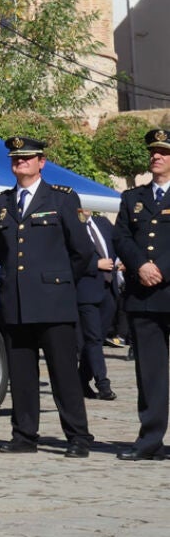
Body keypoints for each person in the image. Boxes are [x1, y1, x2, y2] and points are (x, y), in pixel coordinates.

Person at [0, 135, 93, 458]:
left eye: (27, 158)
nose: (21, 162)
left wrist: (59, 283)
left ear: (41, 162)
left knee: (64, 374)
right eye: (16, 158)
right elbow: (4, 252)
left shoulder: (61, 199)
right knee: (21, 375)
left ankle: (78, 436)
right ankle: (24, 434)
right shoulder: (1, 203)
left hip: (53, 301)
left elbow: (82, 251)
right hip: (17, 301)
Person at [113, 127, 170, 461]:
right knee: (149, 374)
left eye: (163, 152)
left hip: (166, 284)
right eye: (153, 151)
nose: (156, 156)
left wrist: (160, 268)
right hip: (144, 296)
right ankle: (150, 440)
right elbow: (121, 237)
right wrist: (141, 266)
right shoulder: (132, 198)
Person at [76, 206, 120, 402]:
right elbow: (68, 257)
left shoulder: (103, 223)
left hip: (108, 289)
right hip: (86, 290)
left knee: (97, 339)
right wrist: (95, 264)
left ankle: (81, 379)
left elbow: (117, 245)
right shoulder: (72, 227)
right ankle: (103, 384)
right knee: (93, 338)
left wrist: (123, 262)